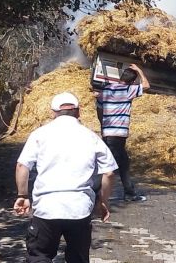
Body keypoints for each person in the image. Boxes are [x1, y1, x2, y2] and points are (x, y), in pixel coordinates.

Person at [13, 92, 118, 263]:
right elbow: (109, 172)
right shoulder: (91, 137)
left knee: (39, 257)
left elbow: (22, 166)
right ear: (78, 112)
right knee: (78, 259)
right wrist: (103, 201)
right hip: (79, 209)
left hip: (46, 208)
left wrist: (23, 196)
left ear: (53, 113)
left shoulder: (40, 134)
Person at [95, 63, 149, 202]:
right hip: (118, 134)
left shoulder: (106, 90)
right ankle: (94, 193)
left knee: (123, 163)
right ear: (132, 81)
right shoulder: (128, 90)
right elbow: (147, 85)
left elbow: (99, 110)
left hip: (107, 132)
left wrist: (103, 125)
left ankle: (129, 192)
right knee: (109, 166)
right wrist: (139, 71)